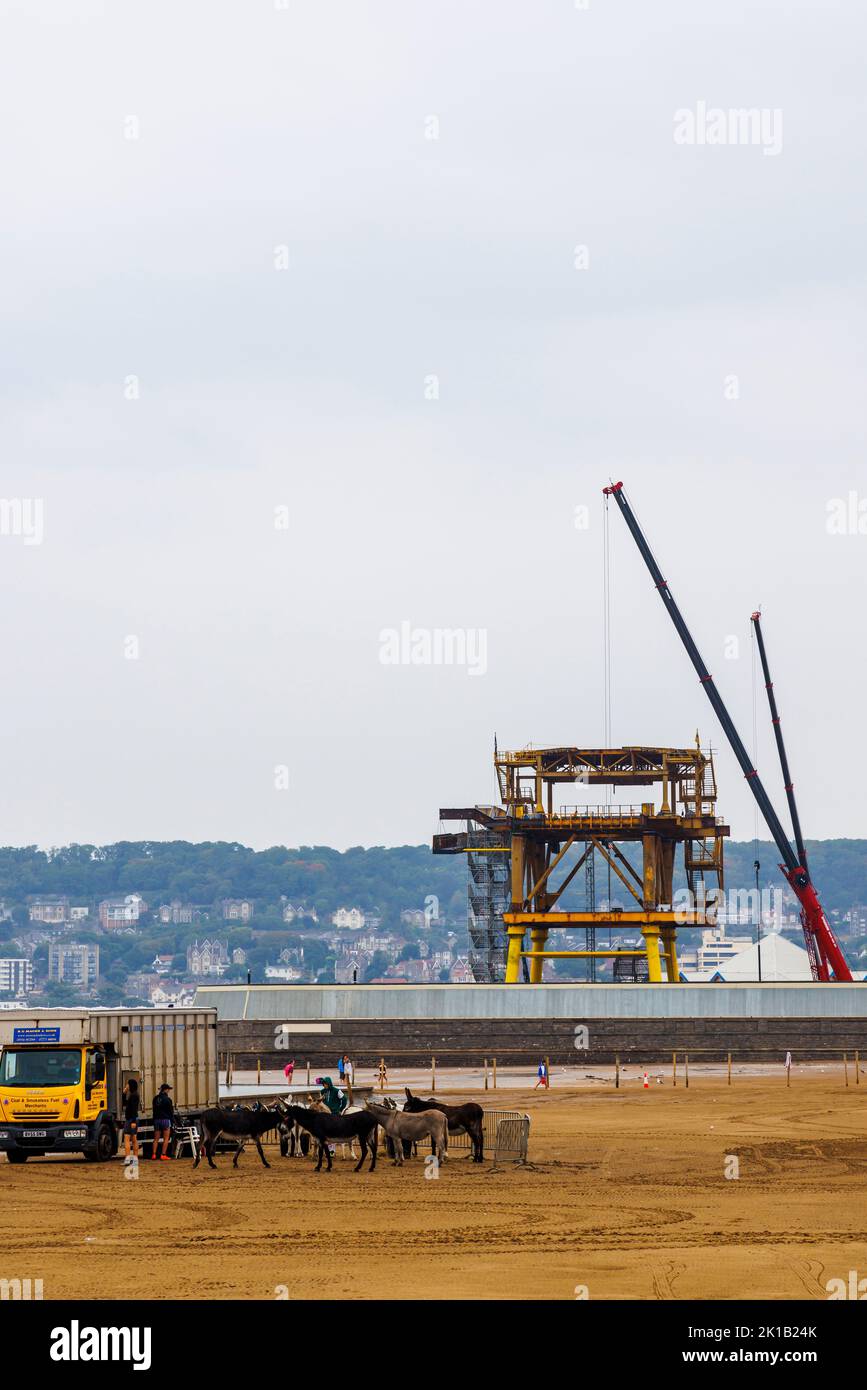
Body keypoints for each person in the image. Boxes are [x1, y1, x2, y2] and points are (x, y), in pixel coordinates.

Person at [152, 1082, 174, 1160]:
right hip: (165, 1120)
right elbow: (171, 1112)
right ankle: (163, 1154)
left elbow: (154, 1110)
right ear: (166, 1090)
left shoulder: (155, 1099)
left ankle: (154, 1154)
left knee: (156, 1138)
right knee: (166, 1138)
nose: (169, 1091)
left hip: (157, 1120)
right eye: (168, 1090)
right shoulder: (168, 1100)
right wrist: (172, 1120)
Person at [122, 1078, 140, 1163]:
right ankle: (135, 1159)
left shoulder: (133, 1096)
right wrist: (124, 1094)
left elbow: (133, 1109)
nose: (126, 1086)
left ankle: (127, 1159)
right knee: (134, 1139)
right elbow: (125, 1103)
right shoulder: (134, 1095)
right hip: (133, 1119)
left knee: (127, 1139)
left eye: (127, 1084)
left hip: (130, 1119)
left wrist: (132, 1121)